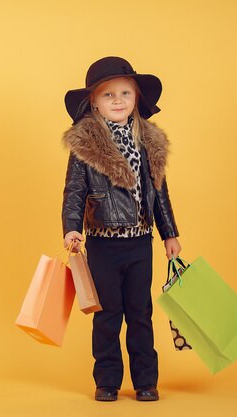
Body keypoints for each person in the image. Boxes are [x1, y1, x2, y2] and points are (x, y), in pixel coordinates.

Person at [61, 56, 182, 402]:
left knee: (140, 314)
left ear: (136, 99)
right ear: (94, 104)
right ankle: (108, 381)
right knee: (108, 316)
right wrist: (72, 229)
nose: (118, 101)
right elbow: (73, 192)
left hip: (140, 242)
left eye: (125, 93)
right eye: (109, 95)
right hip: (102, 245)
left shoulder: (147, 143)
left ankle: (146, 380)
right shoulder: (85, 147)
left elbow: (159, 191)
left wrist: (169, 232)